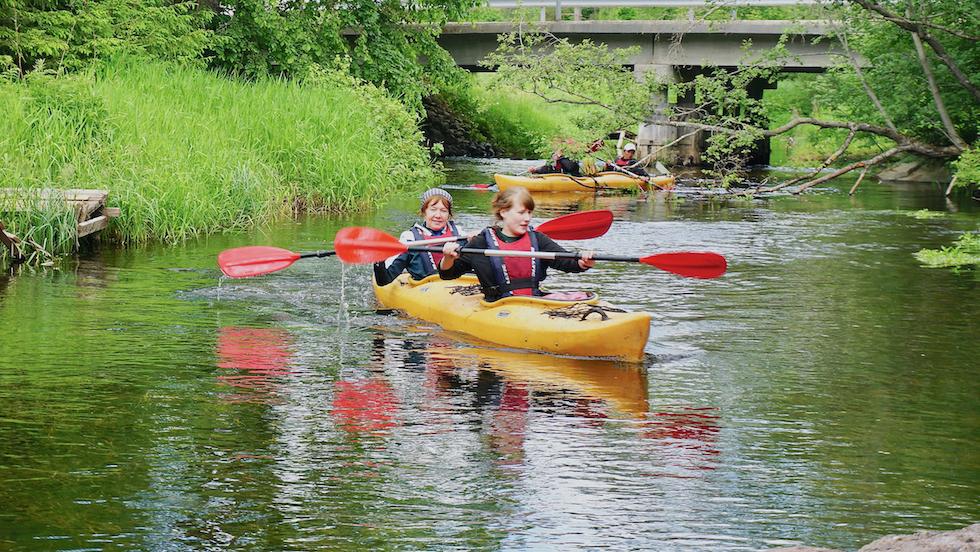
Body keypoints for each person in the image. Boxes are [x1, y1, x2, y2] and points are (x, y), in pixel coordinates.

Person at [438, 187, 595, 303]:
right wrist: (448, 257)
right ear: (504, 212)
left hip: (533, 301)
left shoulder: (537, 239)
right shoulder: (481, 242)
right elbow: (448, 274)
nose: (527, 218)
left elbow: (566, 262)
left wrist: (583, 262)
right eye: (521, 213)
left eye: (529, 212)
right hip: (497, 305)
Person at [373, 188, 465, 286]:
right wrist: (379, 257)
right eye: (433, 210)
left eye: (443, 211)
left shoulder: (460, 235)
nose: (438, 215)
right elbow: (384, 280)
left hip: (458, 284)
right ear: (424, 212)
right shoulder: (410, 239)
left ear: (449, 214)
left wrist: (477, 239)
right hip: (425, 287)